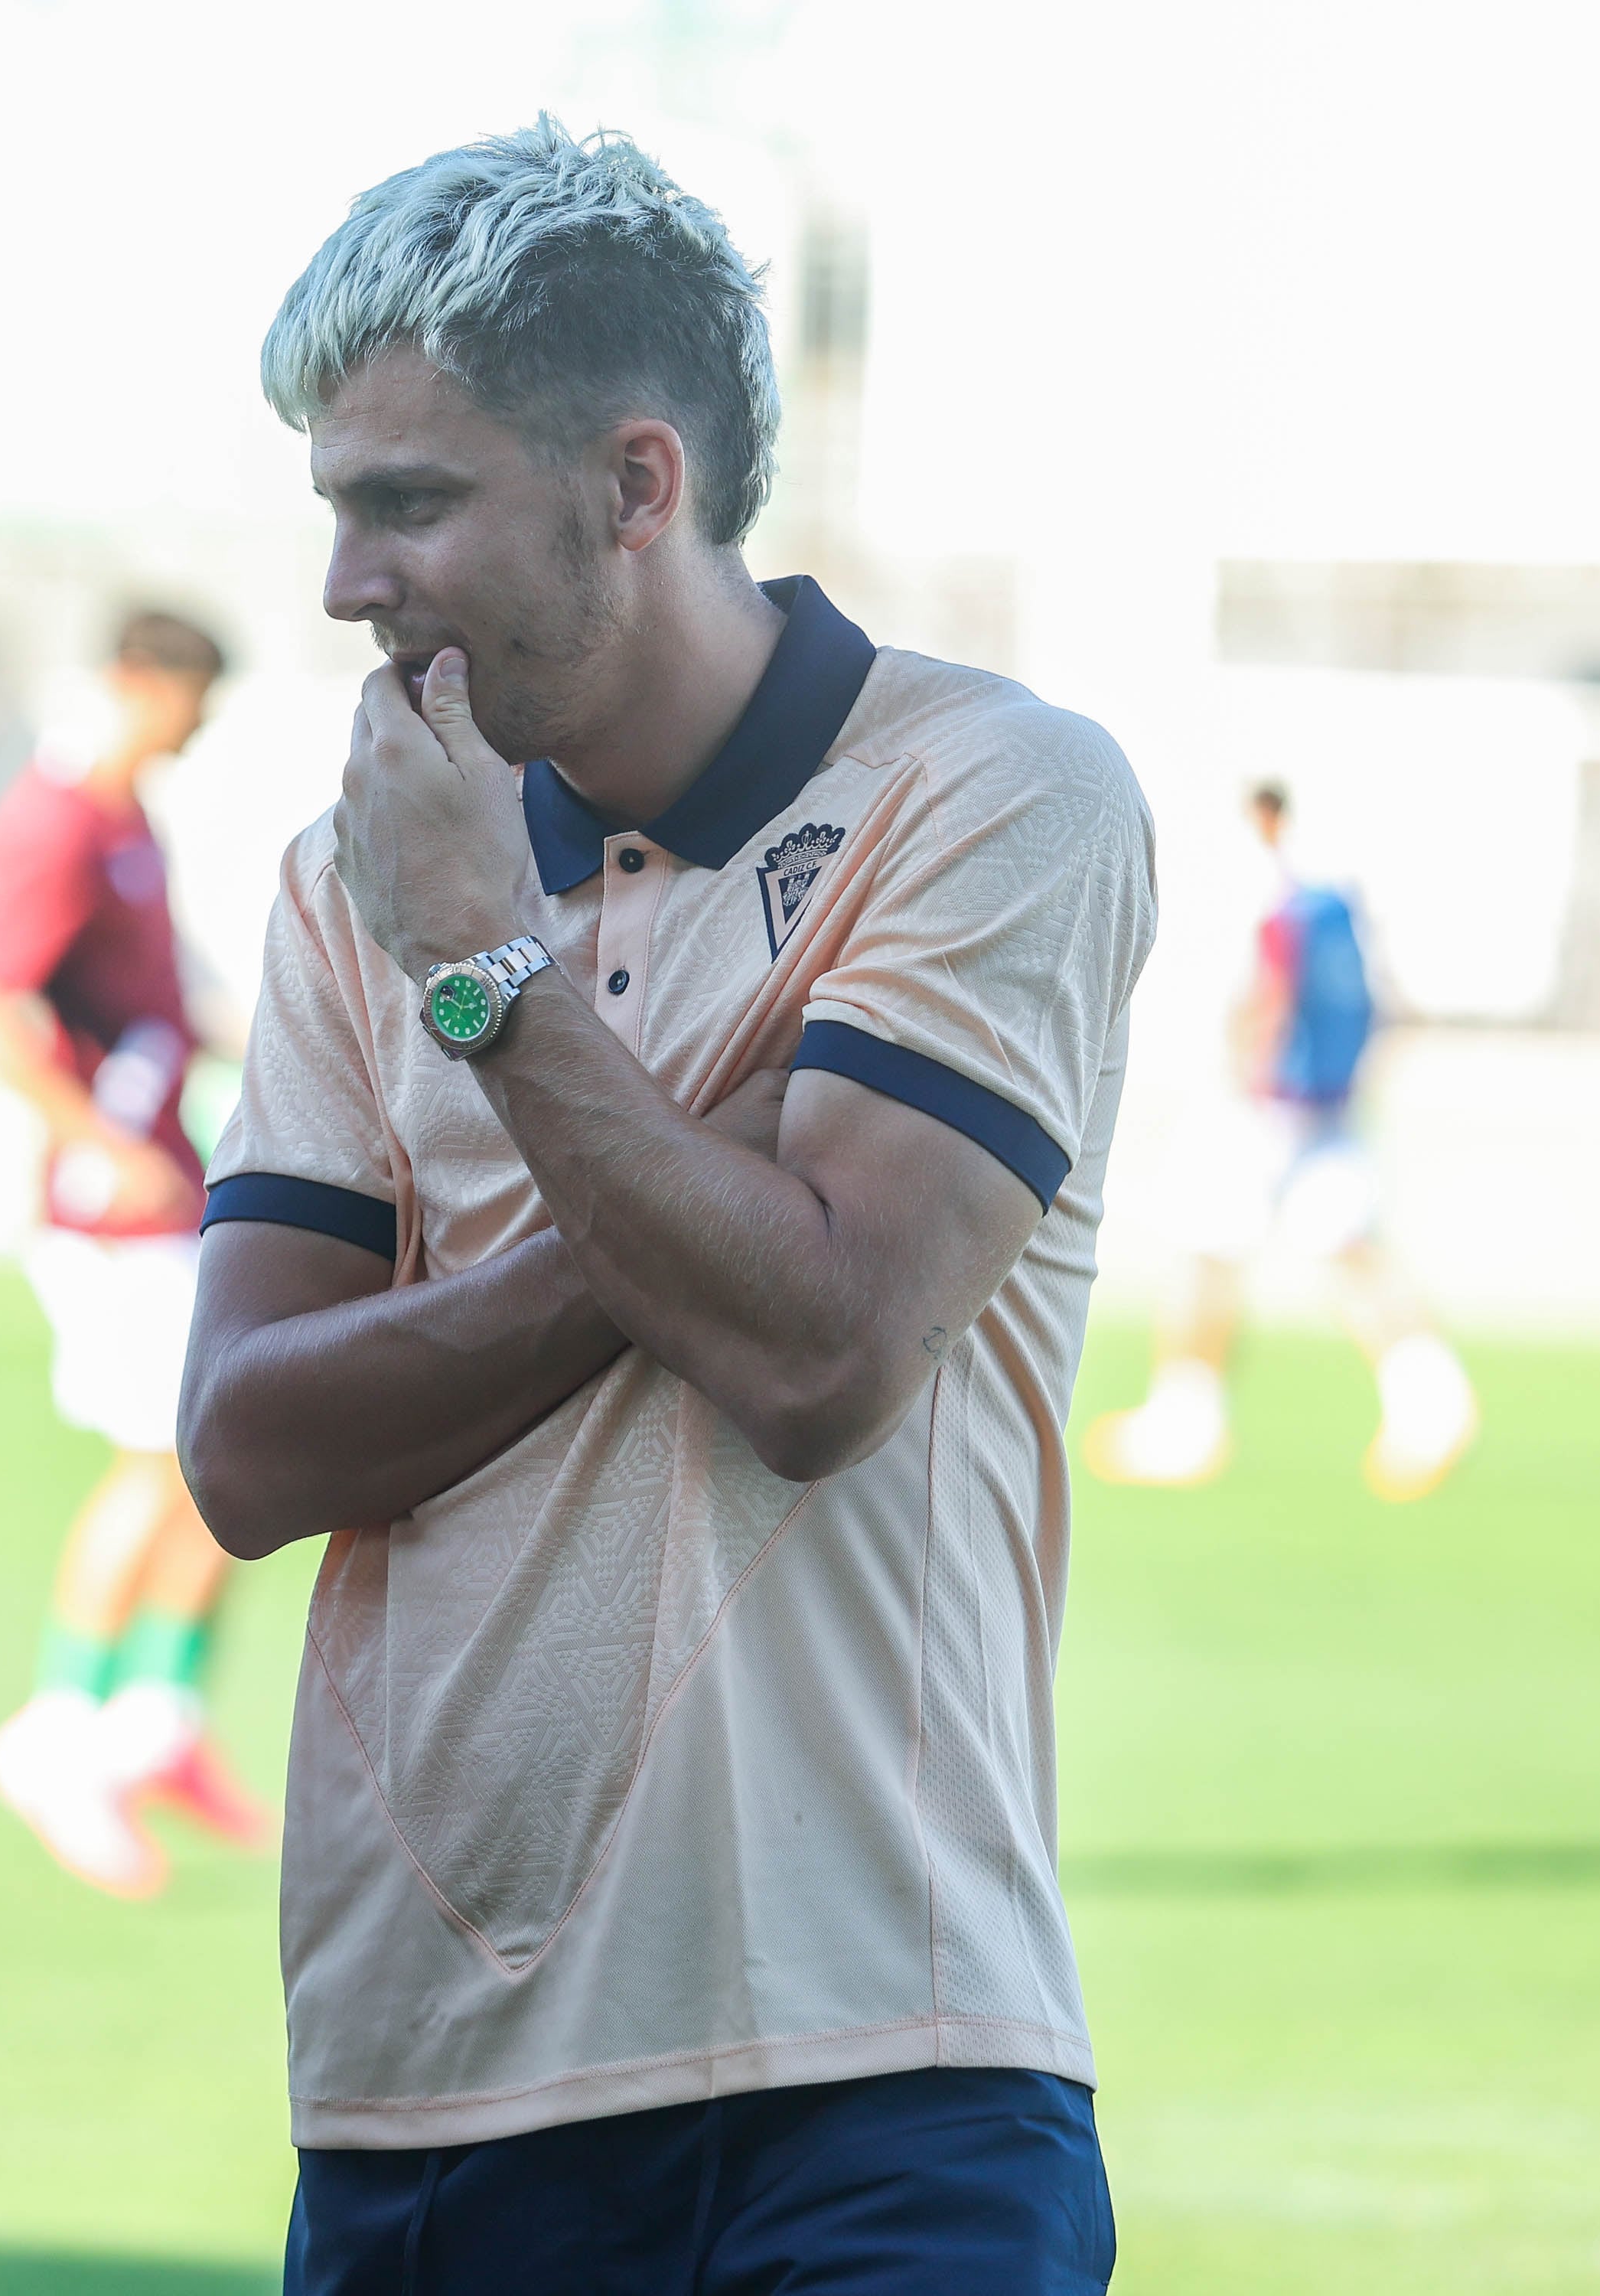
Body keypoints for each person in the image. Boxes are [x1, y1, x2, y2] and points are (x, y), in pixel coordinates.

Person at [178, 122, 1150, 2294]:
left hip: (882, 2077)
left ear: (636, 486)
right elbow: (245, 1449)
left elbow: (813, 1357)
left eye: (406, 505)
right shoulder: (350, 879)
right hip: (420, 2090)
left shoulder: (991, 791)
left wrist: (485, 975)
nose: (347, 584)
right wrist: (677, 1201)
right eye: (334, 508)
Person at [0, 608, 270, 1896]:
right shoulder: (55, 819)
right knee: (164, 1450)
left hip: (166, 1190)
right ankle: (60, 1729)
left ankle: (155, 1725)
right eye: (193, 701)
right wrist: (92, 1137)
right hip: (108, 1207)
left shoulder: (125, 821)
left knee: (228, 1448)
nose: (200, 728)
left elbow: (156, 1002)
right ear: (140, 685)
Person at [1084, 780, 1477, 1500]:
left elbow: (1258, 995)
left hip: (1258, 1102)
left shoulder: (1264, 885)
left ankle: (1187, 1420)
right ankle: (1431, 1403)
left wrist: (1247, 1073)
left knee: (1209, 1252)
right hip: (1322, 1099)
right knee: (1349, 1246)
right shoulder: (1338, 889)